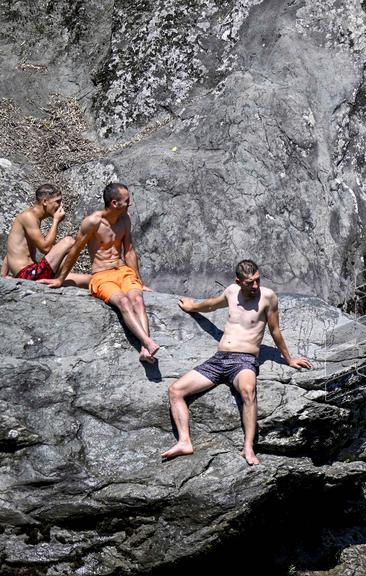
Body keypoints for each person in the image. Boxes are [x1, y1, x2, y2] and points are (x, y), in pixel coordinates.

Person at [161, 259, 313, 466]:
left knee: (248, 391)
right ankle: (184, 442)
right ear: (239, 281)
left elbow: (275, 330)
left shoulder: (268, 297)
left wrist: (289, 359)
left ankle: (248, 448)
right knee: (175, 391)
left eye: (258, 280)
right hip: (219, 360)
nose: (256, 286)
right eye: (250, 282)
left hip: (244, 361)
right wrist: (192, 307)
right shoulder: (232, 292)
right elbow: (211, 305)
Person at [42, 182, 160, 362]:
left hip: (123, 270)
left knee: (137, 299)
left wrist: (139, 281)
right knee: (123, 302)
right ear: (114, 203)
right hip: (102, 276)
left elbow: (128, 250)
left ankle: (146, 349)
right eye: (127, 200)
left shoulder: (124, 219)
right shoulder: (93, 222)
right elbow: (75, 250)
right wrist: (59, 279)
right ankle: (148, 342)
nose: (130, 203)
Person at [2, 183, 90, 287]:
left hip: (33, 273)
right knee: (69, 241)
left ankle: (57, 279)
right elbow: (45, 248)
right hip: (28, 275)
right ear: (45, 201)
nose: (61, 205)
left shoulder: (30, 217)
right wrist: (56, 221)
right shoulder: (28, 217)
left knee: (90, 280)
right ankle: (58, 280)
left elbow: (11, 250)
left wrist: (3, 276)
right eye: (58, 201)